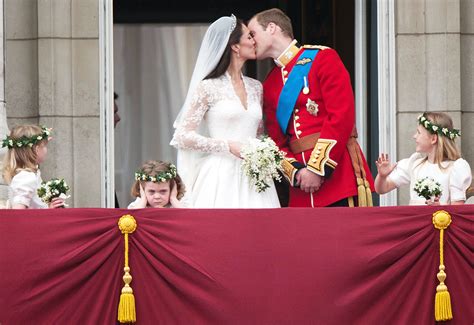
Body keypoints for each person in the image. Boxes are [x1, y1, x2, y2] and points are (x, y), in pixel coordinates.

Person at [248, 8, 374, 207]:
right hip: (301, 187)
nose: (251, 40)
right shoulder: (270, 83)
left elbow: (341, 116)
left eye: (253, 33)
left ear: (271, 28)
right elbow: (276, 141)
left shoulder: (323, 58)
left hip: (338, 177)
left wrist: (317, 169)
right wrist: (297, 172)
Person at [170, 15, 280, 208]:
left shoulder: (256, 87)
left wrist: (264, 152)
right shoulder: (207, 87)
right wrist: (227, 145)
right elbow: (182, 136)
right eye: (249, 37)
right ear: (235, 46)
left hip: (254, 177)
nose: (254, 41)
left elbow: (259, 134)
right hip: (220, 177)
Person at [375, 112, 472, 205]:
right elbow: (381, 189)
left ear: (433, 139)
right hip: (415, 221)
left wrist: (441, 207)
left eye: (418, 133)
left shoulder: (455, 168)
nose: (414, 136)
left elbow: (458, 208)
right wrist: (382, 176)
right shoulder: (414, 164)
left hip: (440, 220)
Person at [2, 125, 65, 209]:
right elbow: (18, 214)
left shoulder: (30, 174)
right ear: (37, 149)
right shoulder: (26, 177)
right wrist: (48, 211)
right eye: (45, 146)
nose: (46, 150)